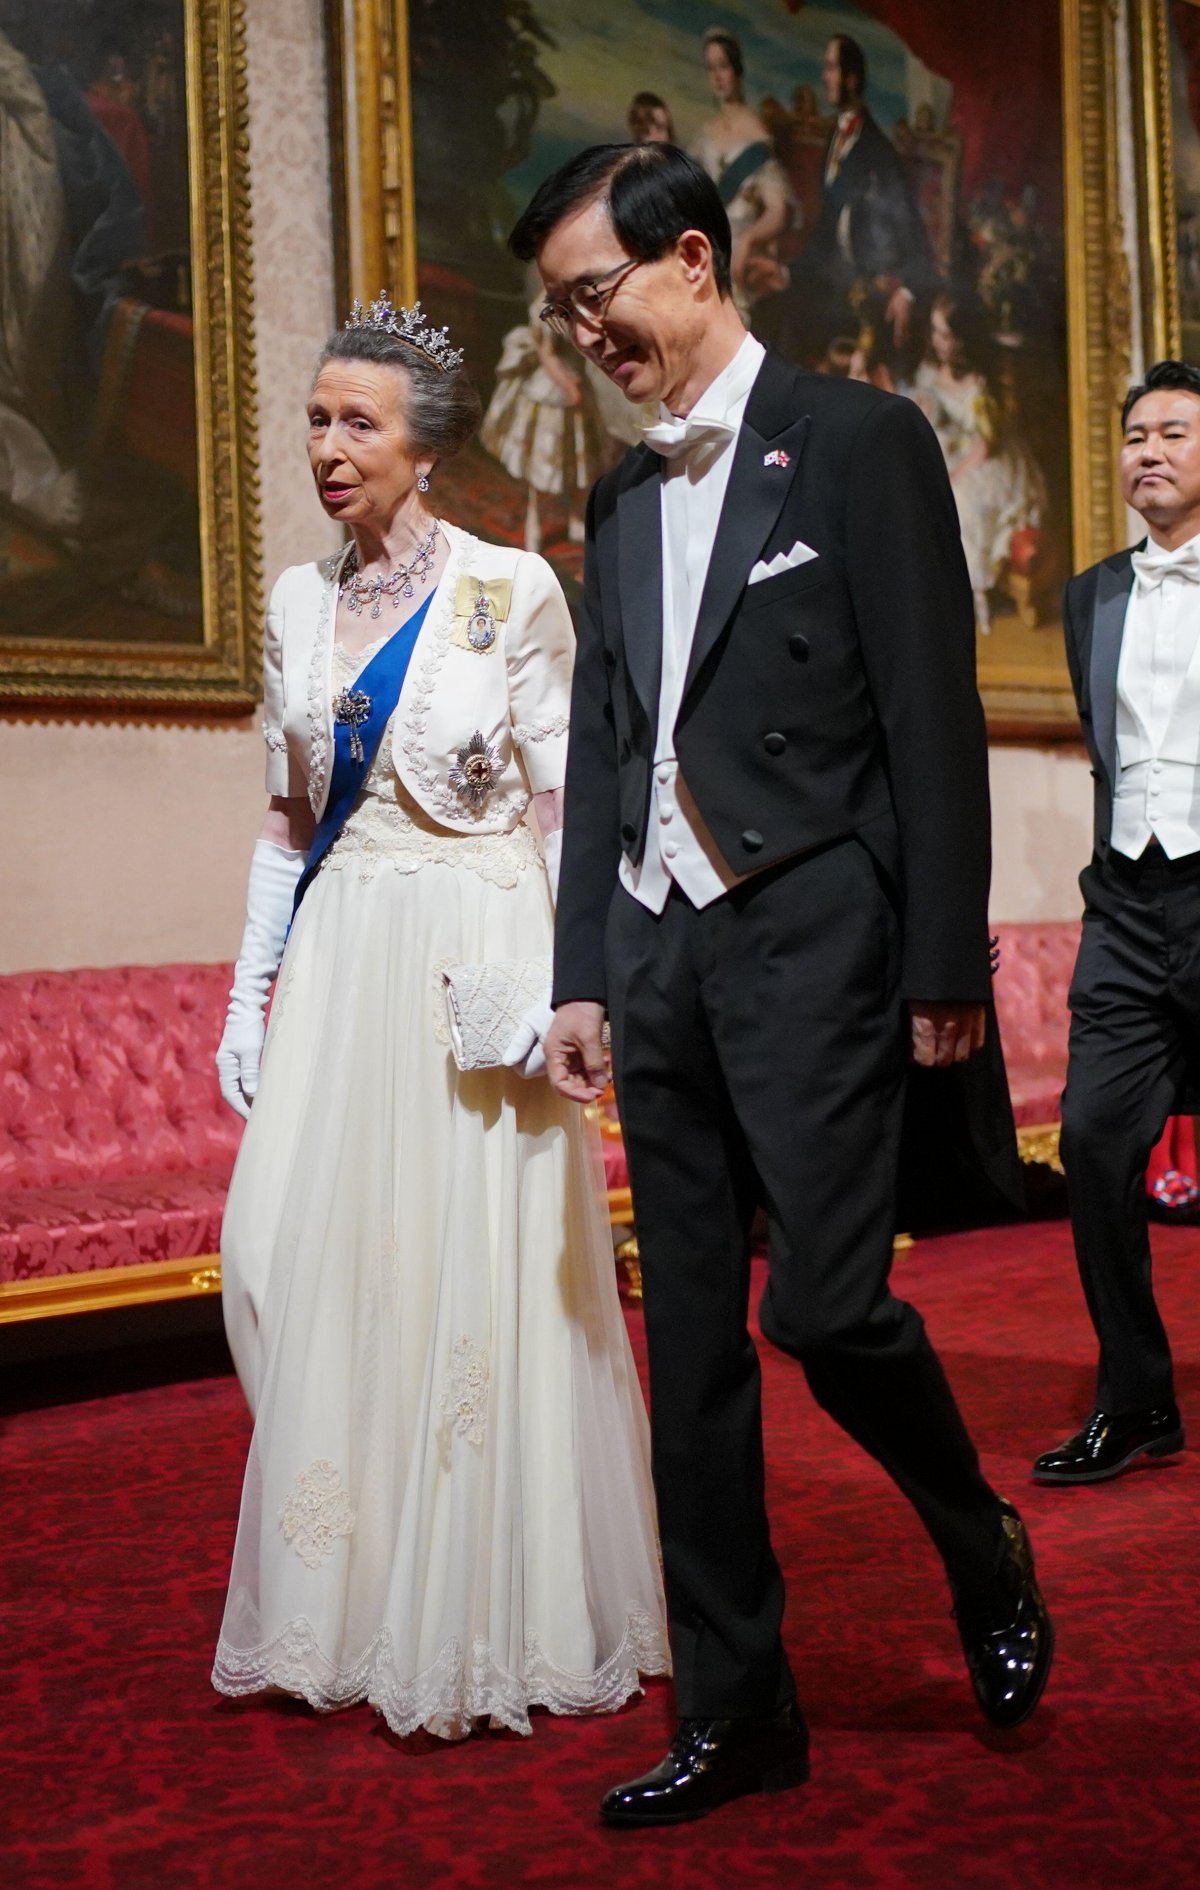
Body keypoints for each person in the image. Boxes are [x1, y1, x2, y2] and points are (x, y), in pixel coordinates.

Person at [509, 141, 1051, 1828]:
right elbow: (611, 747)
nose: (582, 334)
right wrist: (585, 970)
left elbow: (930, 718)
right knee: (693, 1362)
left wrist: (943, 961)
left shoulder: (860, 444)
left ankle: (983, 1537)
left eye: (591, 296)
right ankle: (744, 1710)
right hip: (660, 959)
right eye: (556, 314)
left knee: (823, 1307)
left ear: (687, 258)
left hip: (816, 944)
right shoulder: (614, 499)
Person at [211, 295, 669, 1738]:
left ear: (424, 447)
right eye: (317, 419)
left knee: (469, 1272)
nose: (329, 448)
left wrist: (559, 984)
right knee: (284, 1249)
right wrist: (247, 991)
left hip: (478, 953)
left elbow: (562, 806)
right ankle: (340, 1590)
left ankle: (475, 1613)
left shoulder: (508, 588)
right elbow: (289, 822)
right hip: (346, 952)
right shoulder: (294, 604)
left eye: (360, 423)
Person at [1032, 359, 1200, 1486]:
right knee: (1093, 1142)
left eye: (1175, 432)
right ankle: (1136, 1397)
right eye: (1135, 435)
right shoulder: (1089, 593)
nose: (1148, 450)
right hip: (1129, 905)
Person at [750, 34, 931, 369]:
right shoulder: (836, 137)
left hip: (863, 292)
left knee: (790, 325)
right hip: (829, 280)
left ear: (852, 79)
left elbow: (913, 238)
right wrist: (785, 272)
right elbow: (825, 232)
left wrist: (906, 292)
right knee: (764, 314)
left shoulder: (879, 153)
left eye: (831, 68)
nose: (824, 77)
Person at [911, 291, 1045, 635]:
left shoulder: (982, 385)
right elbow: (931, 417)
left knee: (961, 502)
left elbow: (985, 446)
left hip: (987, 461)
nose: (938, 341)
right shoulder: (930, 372)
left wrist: (952, 473)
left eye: (946, 334)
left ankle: (971, 595)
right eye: (935, 332)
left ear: (962, 338)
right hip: (949, 449)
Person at [481, 283, 609, 550]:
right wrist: (568, 385)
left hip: (576, 381)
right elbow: (546, 354)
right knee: (542, 468)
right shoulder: (544, 307)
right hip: (551, 390)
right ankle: (535, 523)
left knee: (577, 457)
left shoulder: (580, 300)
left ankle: (576, 517)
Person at [689, 28, 792, 322]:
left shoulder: (757, 135)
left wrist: (747, 240)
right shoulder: (704, 135)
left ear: (737, 70)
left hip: (736, 258)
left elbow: (778, 210)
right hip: (702, 254)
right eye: (711, 69)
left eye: (724, 67)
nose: (718, 77)